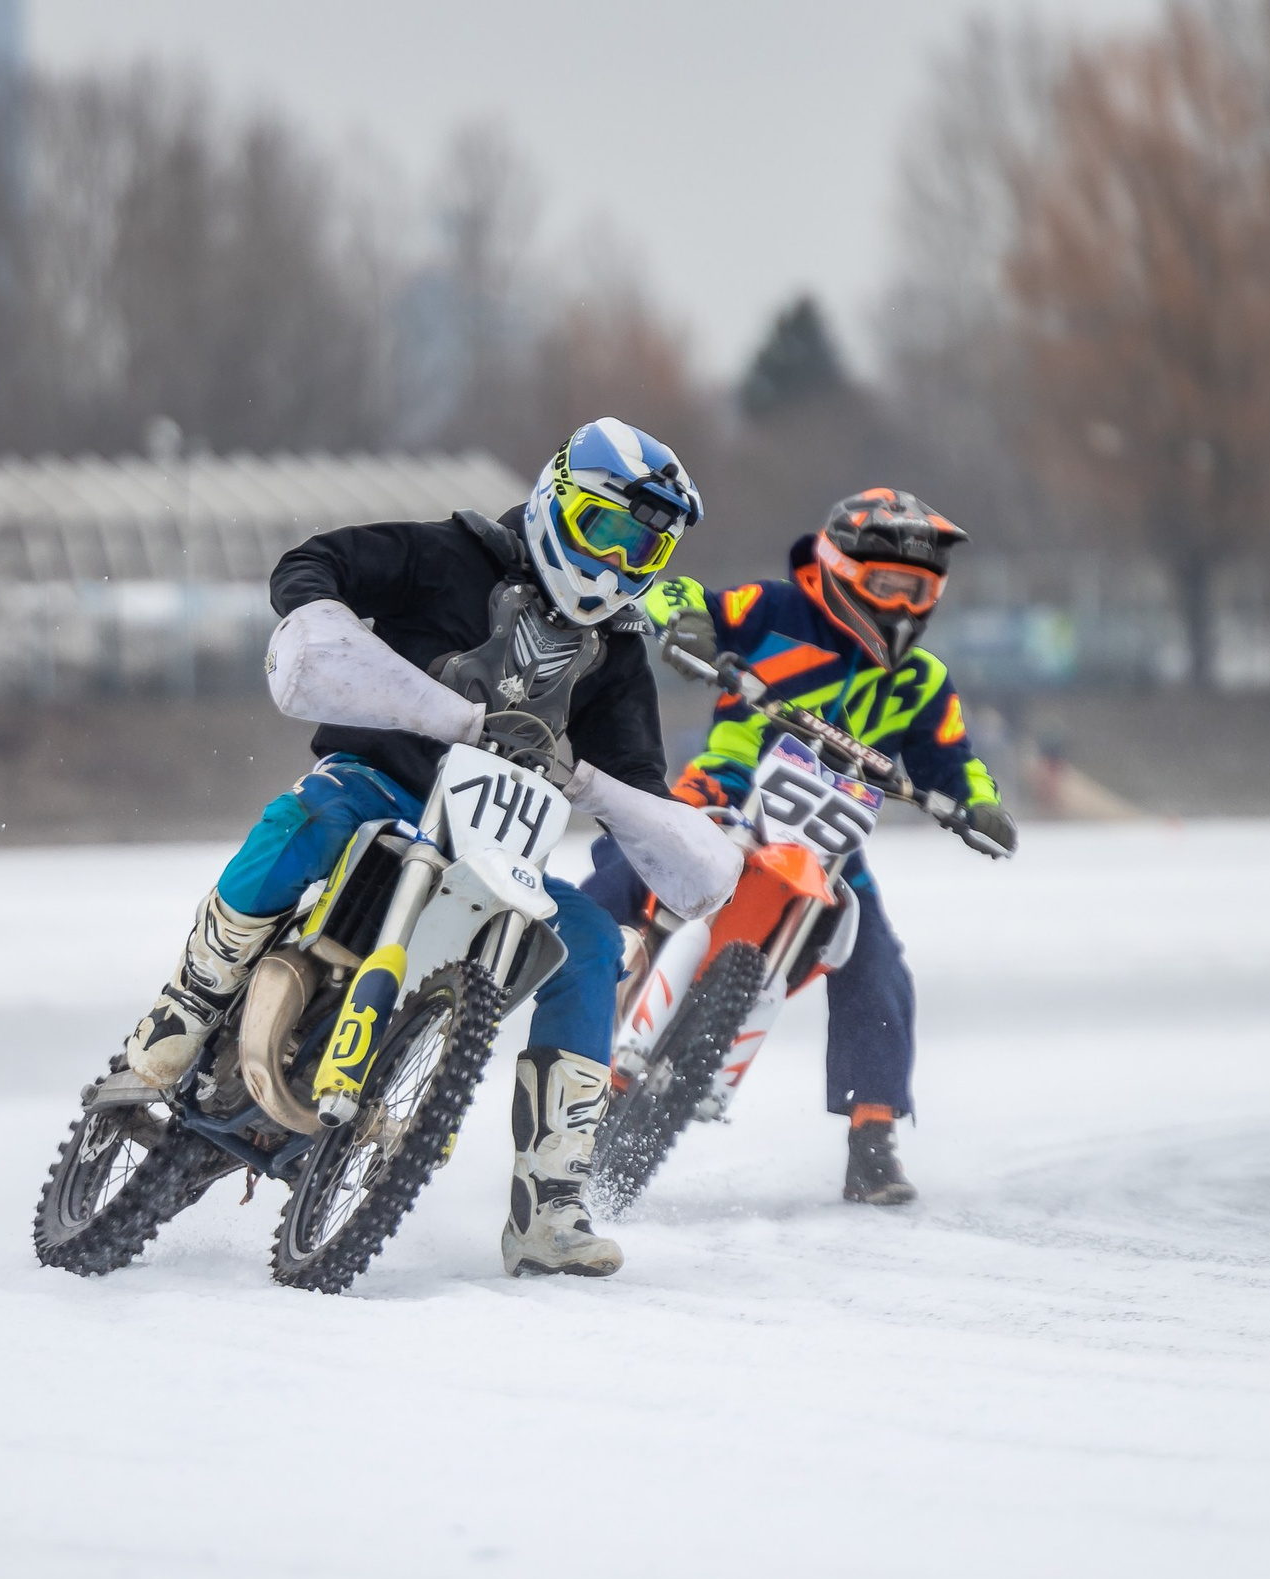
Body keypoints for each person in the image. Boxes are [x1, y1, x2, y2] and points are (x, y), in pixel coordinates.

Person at [123, 418, 742, 1278]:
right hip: (381, 782)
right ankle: (188, 1008)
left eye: (642, 550)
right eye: (604, 529)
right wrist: (320, 614)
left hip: (497, 853)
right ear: (559, 496)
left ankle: (551, 1201)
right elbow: (314, 561)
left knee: (592, 942)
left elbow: (637, 778)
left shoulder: (619, 651)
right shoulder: (451, 553)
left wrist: (638, 835)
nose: (614, 563)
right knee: (307, 819)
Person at [584, 487, 1017, 1206]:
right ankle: (536, 979)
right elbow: (683, 592)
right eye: (888, 584)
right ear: (840, 568)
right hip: (722, 793)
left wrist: (980, 802)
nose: (904, 604)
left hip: (829, 843)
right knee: (623, 867)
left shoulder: (921, 681)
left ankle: (873, 1138)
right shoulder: (776, 610)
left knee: (877, 961)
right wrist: (686, 622)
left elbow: (952, 758)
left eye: (919, 588)